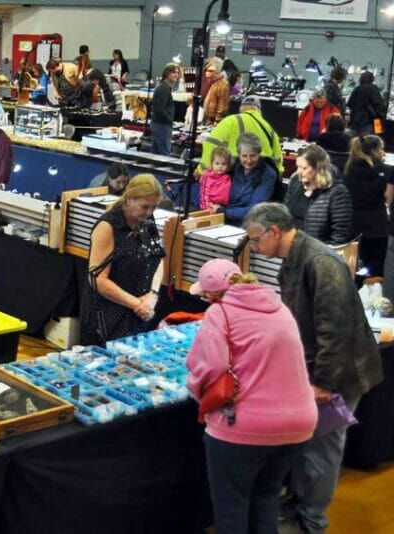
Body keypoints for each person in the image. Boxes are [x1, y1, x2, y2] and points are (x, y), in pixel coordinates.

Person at [243, 203, 382, 534]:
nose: (254, 248)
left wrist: (323, 383)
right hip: (313, 371)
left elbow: (335, 331)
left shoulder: (320, 262)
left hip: (338, 376)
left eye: (256, 240)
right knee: (306, 447)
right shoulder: (292, 259)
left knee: (322, 450)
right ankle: (298, 509)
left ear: (274, 232)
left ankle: (311, 522)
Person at [186, 259, 316, 534]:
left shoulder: (219, 314)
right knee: (267, 498)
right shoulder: (279, 307)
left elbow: (210, 367)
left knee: (231, 504)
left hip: (243, 427)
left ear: (211, 295)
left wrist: (194, 389)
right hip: (297, 424)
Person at [80, 174, 165, 345]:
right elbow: (97, 279)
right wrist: (136, 304)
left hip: (138, 311)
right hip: (106, 315)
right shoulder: (108, 226)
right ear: (129, 200)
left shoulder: (146, 220)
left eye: (154, 207)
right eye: (144, 206)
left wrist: (153, 295)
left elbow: (158, 259)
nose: (149, 212)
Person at [284, 145, 352, 245]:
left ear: (318, 168)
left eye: (304, 168)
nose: (299, 172)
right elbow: (284, 213)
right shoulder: (295, 181)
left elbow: (340, 233)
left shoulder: (337, 192)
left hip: (317, 252)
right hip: (291, 247)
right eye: (298, 166)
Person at [207, 133, 279, 226]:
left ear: (259, 154)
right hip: (221, 217)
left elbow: (255, 210)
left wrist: (224, 211)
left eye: (253, 155)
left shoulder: (268, 174)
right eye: (244, 156)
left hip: (249, 223)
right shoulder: (232, 166)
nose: (248, 160)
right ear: (238, 155)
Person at [200, 96, 282, 173]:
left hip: (236, 174)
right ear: (258, 110)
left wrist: (201, 170)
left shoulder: (230, 121)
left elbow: (212, 144)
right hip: (263, 175)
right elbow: (278, 159)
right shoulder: (269, 129)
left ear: (241, 108)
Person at [344, 135, 387, 275]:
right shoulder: (383, 170)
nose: (383, 153)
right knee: (373, 272)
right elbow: (387, 197)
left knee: (352, 268)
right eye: (381, 149)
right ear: (374, 151)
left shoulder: (348, 168)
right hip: (376, 228)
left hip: (352, 226)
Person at [149, 64, 180, 156]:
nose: (177, 75)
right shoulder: (164, 89)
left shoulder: (162, 87)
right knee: (164, 154)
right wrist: (170, 120)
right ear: (167, 74)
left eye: (178, 73)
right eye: (174, 72)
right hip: (162, 125)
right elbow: (160, 108)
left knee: (155, 153)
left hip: (158, 124)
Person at [347, 71, 384, 136]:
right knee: (368, 142)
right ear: (372, 79)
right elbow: (378, 105)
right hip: (369, 121)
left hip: (355, 121)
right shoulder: (374, 89)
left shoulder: (357, 88)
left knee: (355, 142)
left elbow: (350, 103)